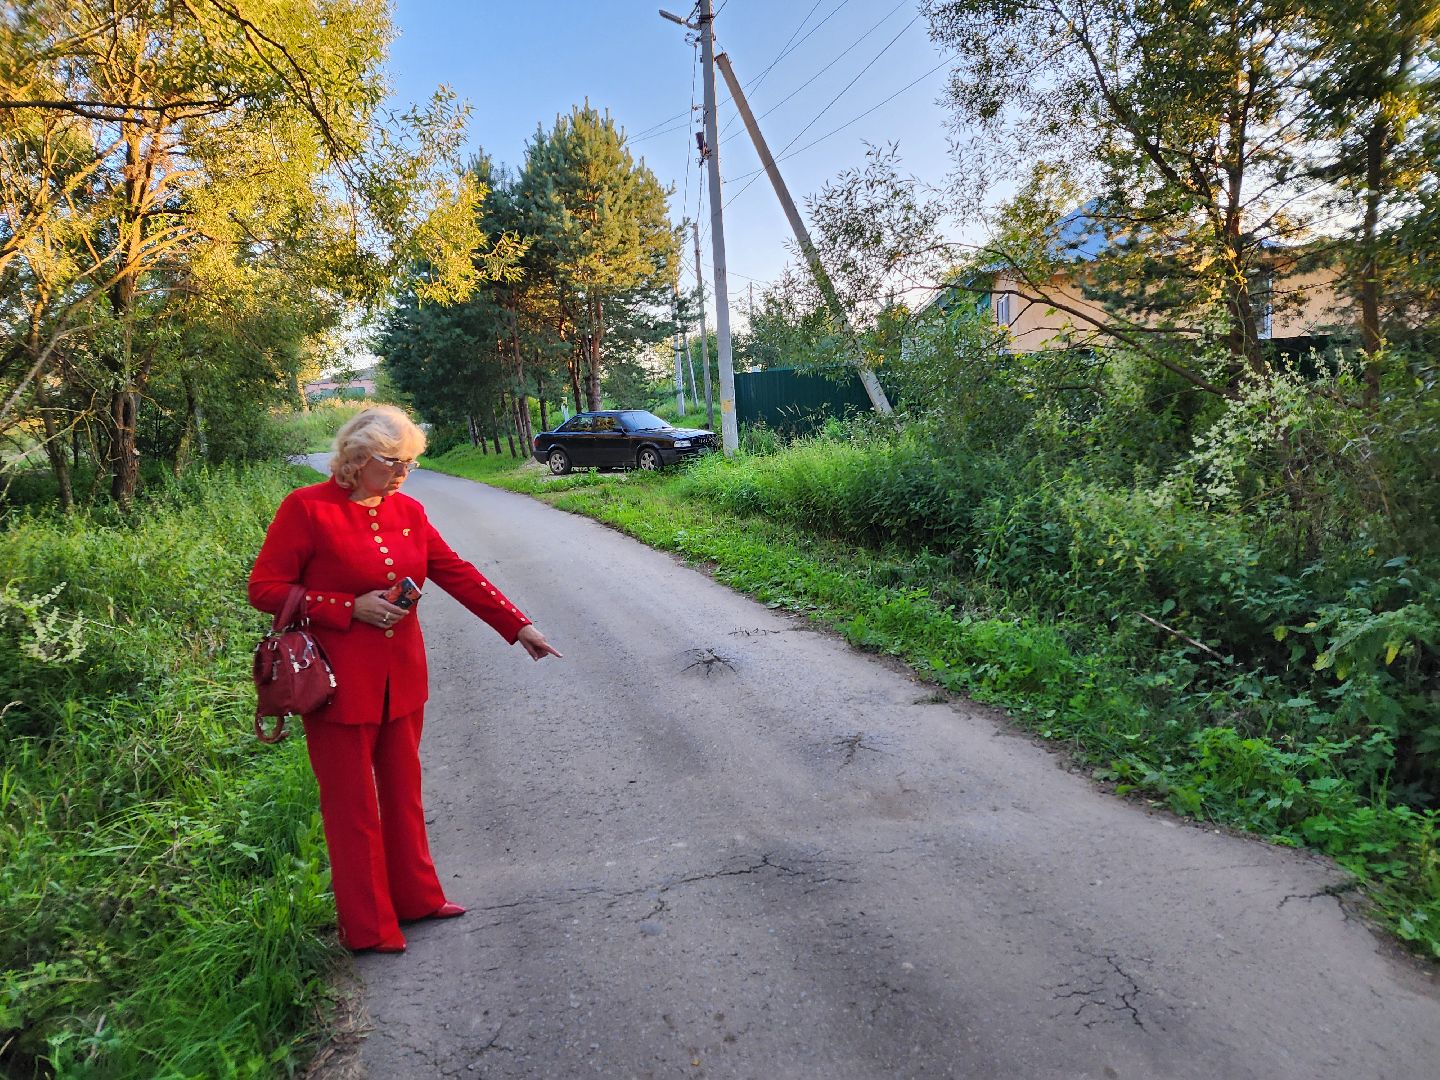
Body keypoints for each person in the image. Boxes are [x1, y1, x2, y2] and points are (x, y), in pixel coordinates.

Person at [249, 405, 561, 953]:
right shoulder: (306, 509)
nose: (402, 473)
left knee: (403, 794)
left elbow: (455, 571)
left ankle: (416, 899)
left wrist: (518, 626)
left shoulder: (410, 511)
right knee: (352, 808)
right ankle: (368, 929)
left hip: (403, 680)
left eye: (410, 463)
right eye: (392, 462)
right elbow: (265, 589)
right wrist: (347, 606)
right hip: (336, 686)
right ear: (355, 458)